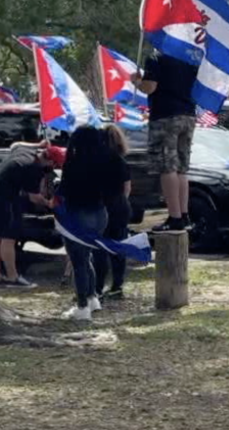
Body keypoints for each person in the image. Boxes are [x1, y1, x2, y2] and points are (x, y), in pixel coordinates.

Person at [57, 127, 129, 320]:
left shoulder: (74, 163)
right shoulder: (107, 161)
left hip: (78, 215)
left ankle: (82, 307)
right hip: (100, 214)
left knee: (79, 261)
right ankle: (91, 298)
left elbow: (64, 190)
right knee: (87, 256)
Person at [137, 50, 198, 233]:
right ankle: (184, 214)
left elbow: (150, 87)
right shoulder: (188, 58)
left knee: (167, 166)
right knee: (181, 167)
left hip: (165, 116)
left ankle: (174, 216)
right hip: (188, 115)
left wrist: (137, 82)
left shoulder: (155, 57)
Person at [0, 142, 60, 288]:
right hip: (6, 199)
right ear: (50, 162)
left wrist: (37, 143)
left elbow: (15, 144)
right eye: (55, 164)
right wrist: (49, 203)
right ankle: (12, 277)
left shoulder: (25, 151)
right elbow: (34, 198)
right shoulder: (34, 168)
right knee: (9, 238)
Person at [94, 125, 134, 301]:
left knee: (99, 249)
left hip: (101, 207)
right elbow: (127, 188)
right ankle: (117, 286)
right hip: (119, 206)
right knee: (118, 247)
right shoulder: (120, 161)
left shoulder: (95, 161)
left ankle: (97, 287)